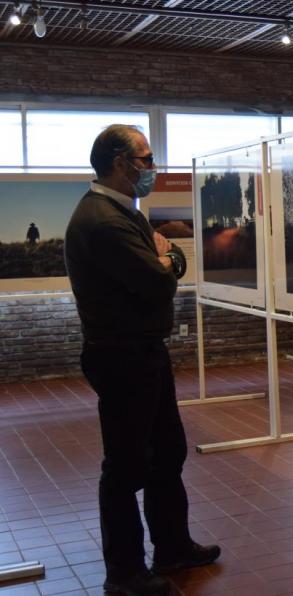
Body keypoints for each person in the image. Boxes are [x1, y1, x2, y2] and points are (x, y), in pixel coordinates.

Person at [64, 124, 218, 596]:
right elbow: (159, 280)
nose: (153, 168)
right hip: (121, 357)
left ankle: (171, 547)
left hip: (142, 352)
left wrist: (164, 260)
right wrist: (167, 261)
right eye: (146, 159)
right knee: (127, 466)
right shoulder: (104, 221)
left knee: (165, 454)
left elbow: (162, 268)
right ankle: (125, 573)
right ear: (119, 163)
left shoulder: (119, 211)